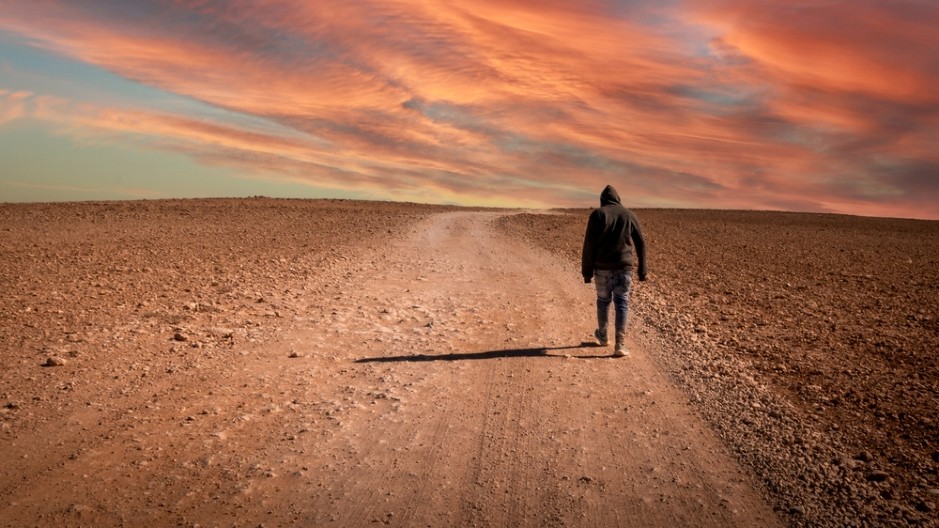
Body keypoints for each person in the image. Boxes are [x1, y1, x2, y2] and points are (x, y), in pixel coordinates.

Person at [581, 185, 647, 357]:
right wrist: (642, 270)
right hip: (623, 268)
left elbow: (588, 245)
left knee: (603, 301)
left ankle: (603, 336)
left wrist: (587, 272)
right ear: (618, 199)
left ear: (602, 200)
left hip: (601, 268)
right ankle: (620, 344)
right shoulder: (629, 214)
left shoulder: (598, 215)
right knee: (622, 303)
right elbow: (641, 244)